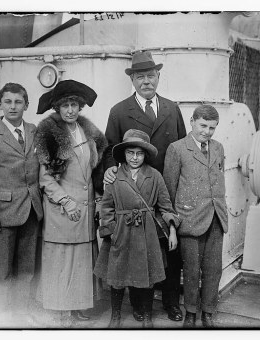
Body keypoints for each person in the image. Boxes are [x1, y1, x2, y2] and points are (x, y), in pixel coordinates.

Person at [103, 51, 187, 322]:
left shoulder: (172, 109)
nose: (146, 82)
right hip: (135, 190)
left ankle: (172, 301)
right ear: (133, 80)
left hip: (166, 188)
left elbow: (183, 146)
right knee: (139, 249)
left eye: (151, 76)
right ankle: (139, 304)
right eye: (140, 77)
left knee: (170, 249)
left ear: (158, 77)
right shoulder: (119, 111)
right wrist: (110, 172)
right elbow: (109, 150)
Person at [34, 79, 107, 327]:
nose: (70, 110)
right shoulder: (49, 133)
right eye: (65, 105)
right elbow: (45, 178)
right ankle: (59, 308)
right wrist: (66, 201)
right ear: (57, 107)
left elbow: (92, 170)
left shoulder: (87, 132)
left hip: (86, 206)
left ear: (81, 106)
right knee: (63, 259)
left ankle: (77, 306)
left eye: (74, 104)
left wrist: (97, 194)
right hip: (63, 208)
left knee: (82, 259)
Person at [94, 129, 180, 328]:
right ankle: (115, 317)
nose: (134, 157)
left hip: (146, 233)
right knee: (117, 277)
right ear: (123, 153)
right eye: (130, 152)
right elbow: (107, 206)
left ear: (145, 155)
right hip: (120, 233)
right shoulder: (114, 176)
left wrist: (173, 229)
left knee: (146, 276)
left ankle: (148, 318)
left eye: (139, 153)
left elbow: (166, 207)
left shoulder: (155, 176)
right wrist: (111, 230)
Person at [0, 82, 44, 325]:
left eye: (18, 102)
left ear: (26, 105)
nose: (13, 106)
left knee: (26, 269)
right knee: (2, 271)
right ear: (0, 105)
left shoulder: (35, 130)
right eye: (8, 102)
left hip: (31, 210)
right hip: (3, 213)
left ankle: (21, 314)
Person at [163, 105, 228, 328]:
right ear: (192, 122)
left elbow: (219, 181)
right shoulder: (177, 149)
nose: (207, 132)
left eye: (212, 128)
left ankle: (208, 312)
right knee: (191, 270)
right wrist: (172, 224)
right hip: (189, 220)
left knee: (213, 269)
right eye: (203, 126)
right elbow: (169, 191)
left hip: (216, 219)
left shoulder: (218, 148)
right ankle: (190, 312)